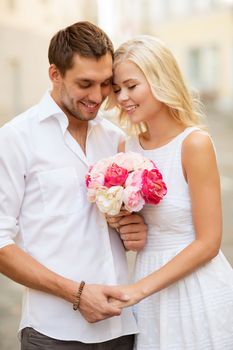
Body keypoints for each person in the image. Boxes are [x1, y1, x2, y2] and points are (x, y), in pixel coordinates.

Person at [0, 22, 148, 350]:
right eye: (85, 83)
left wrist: (134, 230)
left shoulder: (116, 139)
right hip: (52, 333)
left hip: (122, 327)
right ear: (55, 74)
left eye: (105, 83)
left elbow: (118, 224)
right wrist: (77, 295)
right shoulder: (16, 138)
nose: (97, 96)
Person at [106, 35, 233, 349]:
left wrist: (140, 289)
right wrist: (123, 226)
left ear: (159, 79)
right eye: (117, 89)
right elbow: (131, 223)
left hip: (196, 288)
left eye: (131, 86)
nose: (122, 97)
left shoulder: (194, 144)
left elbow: (209, 243)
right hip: (149, 290)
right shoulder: (126, 148)